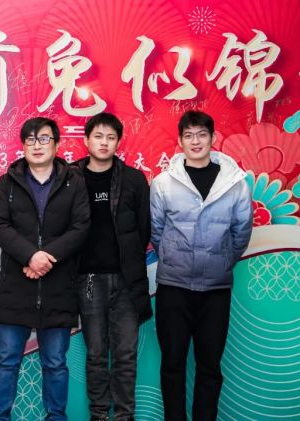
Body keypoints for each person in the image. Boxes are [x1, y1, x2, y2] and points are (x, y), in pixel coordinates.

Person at [150, 110, 253, 421]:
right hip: (174, 288)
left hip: (215, 290)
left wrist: (221, 261)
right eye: (189, 135)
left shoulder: (234, 183)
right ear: (180, 141)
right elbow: (156, 230)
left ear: (213, 138)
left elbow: (242, 232)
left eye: (202, 134)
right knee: (172, 364)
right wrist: (174, 258)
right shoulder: (163, 182)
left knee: (210, 367)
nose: (195, 141)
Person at [0, 117, 90, 421]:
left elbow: (81, 226)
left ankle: (56, 417)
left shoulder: (74, 182)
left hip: (58, 286)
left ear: (57, 145)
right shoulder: (8, 182)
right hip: (15, 286)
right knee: (6, 361)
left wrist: (46, 258)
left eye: (44, 138)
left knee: (55, 363)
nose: (37, 145)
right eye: (31, 139)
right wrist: (30, 256)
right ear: (23, 145)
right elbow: (0, 224)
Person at [73, 112, 152, 421]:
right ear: (86, 140)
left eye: (110, 137)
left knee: (125, 355)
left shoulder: (134, 179)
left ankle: (124, 415)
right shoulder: (71, 177)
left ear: (118, 142)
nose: (104, 142)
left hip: (126, 281)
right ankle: (99, 415)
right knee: (95, 354)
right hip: (88, 280)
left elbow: (144, 229)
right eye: (98, 136)